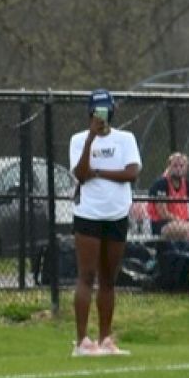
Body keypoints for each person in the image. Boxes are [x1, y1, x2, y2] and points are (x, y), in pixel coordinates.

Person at [68, 89, 142, 356]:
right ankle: (81, 341)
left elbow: (131, 172)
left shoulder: (125, 139)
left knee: (109, 278)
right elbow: (81, 173)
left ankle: (106, 338)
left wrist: (100, 171)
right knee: (86, 275)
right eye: (97, 111)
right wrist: (90, 138)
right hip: (89, 213)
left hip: (116, 214)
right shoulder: (78, 140)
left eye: (105, 111)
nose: (102, 116)